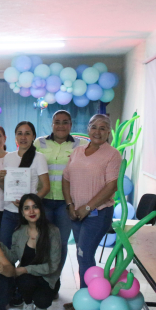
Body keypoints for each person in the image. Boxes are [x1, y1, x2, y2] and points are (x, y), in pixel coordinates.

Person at [62, 114, 121, 294]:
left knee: (85, 255)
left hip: (97, 214)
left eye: (103, 128)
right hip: (76, 213)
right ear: (88, 128)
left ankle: (88, 299)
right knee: (81, 256)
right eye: (94, 126)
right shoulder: (78, 151)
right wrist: (70, 205)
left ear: (108, 132)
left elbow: (112, 186)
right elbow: (66, 179)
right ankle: (84, 296)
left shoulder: (112, 154)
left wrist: (87, 207)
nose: (98, 131)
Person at [34, 110, 89, 287]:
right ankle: (41, 279)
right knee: (43, 242)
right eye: (57, 122)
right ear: (52, 124)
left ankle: (54, 280)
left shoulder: (81, 145)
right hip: (43, 201)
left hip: (67, 203)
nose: (61, 125)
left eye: (65, 122)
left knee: (61, 242)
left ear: (71, 125)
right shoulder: (39, 143)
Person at [0, 194, 62, 310]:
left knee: (42, 302)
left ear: (41, 210)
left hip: (47, 277)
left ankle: (38, 301)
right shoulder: (18, 232)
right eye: (26, 208)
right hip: (26, 277)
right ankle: (27, 302)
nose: (31, 211)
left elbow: (52, 266)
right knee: (24, 281)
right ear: (22, 212)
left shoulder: (53, 232)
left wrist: (25, 269)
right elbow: (13, 257)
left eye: (35, 207)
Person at [0, 121, 50, 248]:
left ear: (33, 136)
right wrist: (0, 180)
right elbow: (6, 188)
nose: (23, 137)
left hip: (29, 214)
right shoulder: (9, 157)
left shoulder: (39, 157)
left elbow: (46, 187)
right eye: (20, 134)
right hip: (9, 211)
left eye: (27, 134)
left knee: (27, 251)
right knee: (5, 249)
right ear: (15, 137)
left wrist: (27, 204)